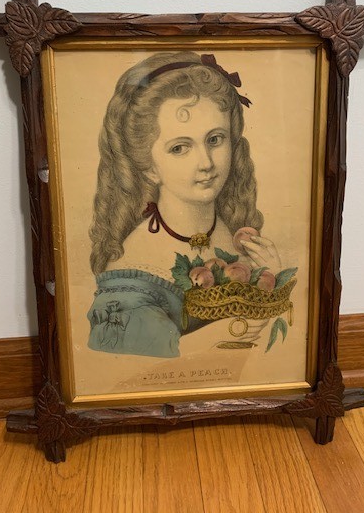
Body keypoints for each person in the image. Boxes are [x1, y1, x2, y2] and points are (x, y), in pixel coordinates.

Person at [87, 51, 280, 357]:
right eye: (180, 148)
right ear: (149, 166)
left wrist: (272, 279)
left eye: (215, 140)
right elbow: (135, 369)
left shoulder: (242, 239)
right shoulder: (130, 278)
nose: (206, 163)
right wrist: (224, 333)